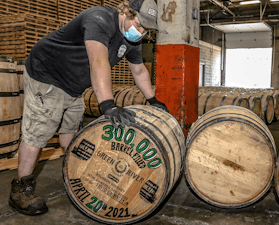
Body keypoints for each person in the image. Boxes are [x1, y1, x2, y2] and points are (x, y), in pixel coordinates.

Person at [9, 0, 168, 216]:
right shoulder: (99, 19)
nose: (140, 32)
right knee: (38, 132)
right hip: (47, 74)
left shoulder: (133, 39)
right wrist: (108, 106)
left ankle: (74, 173)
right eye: (139, 24)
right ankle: (20, 189)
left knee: (70, 131)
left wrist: (153, 100)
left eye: (146, 29)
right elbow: (98, 62)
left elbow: (139, 71)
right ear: (125, 11)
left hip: (74, 85)